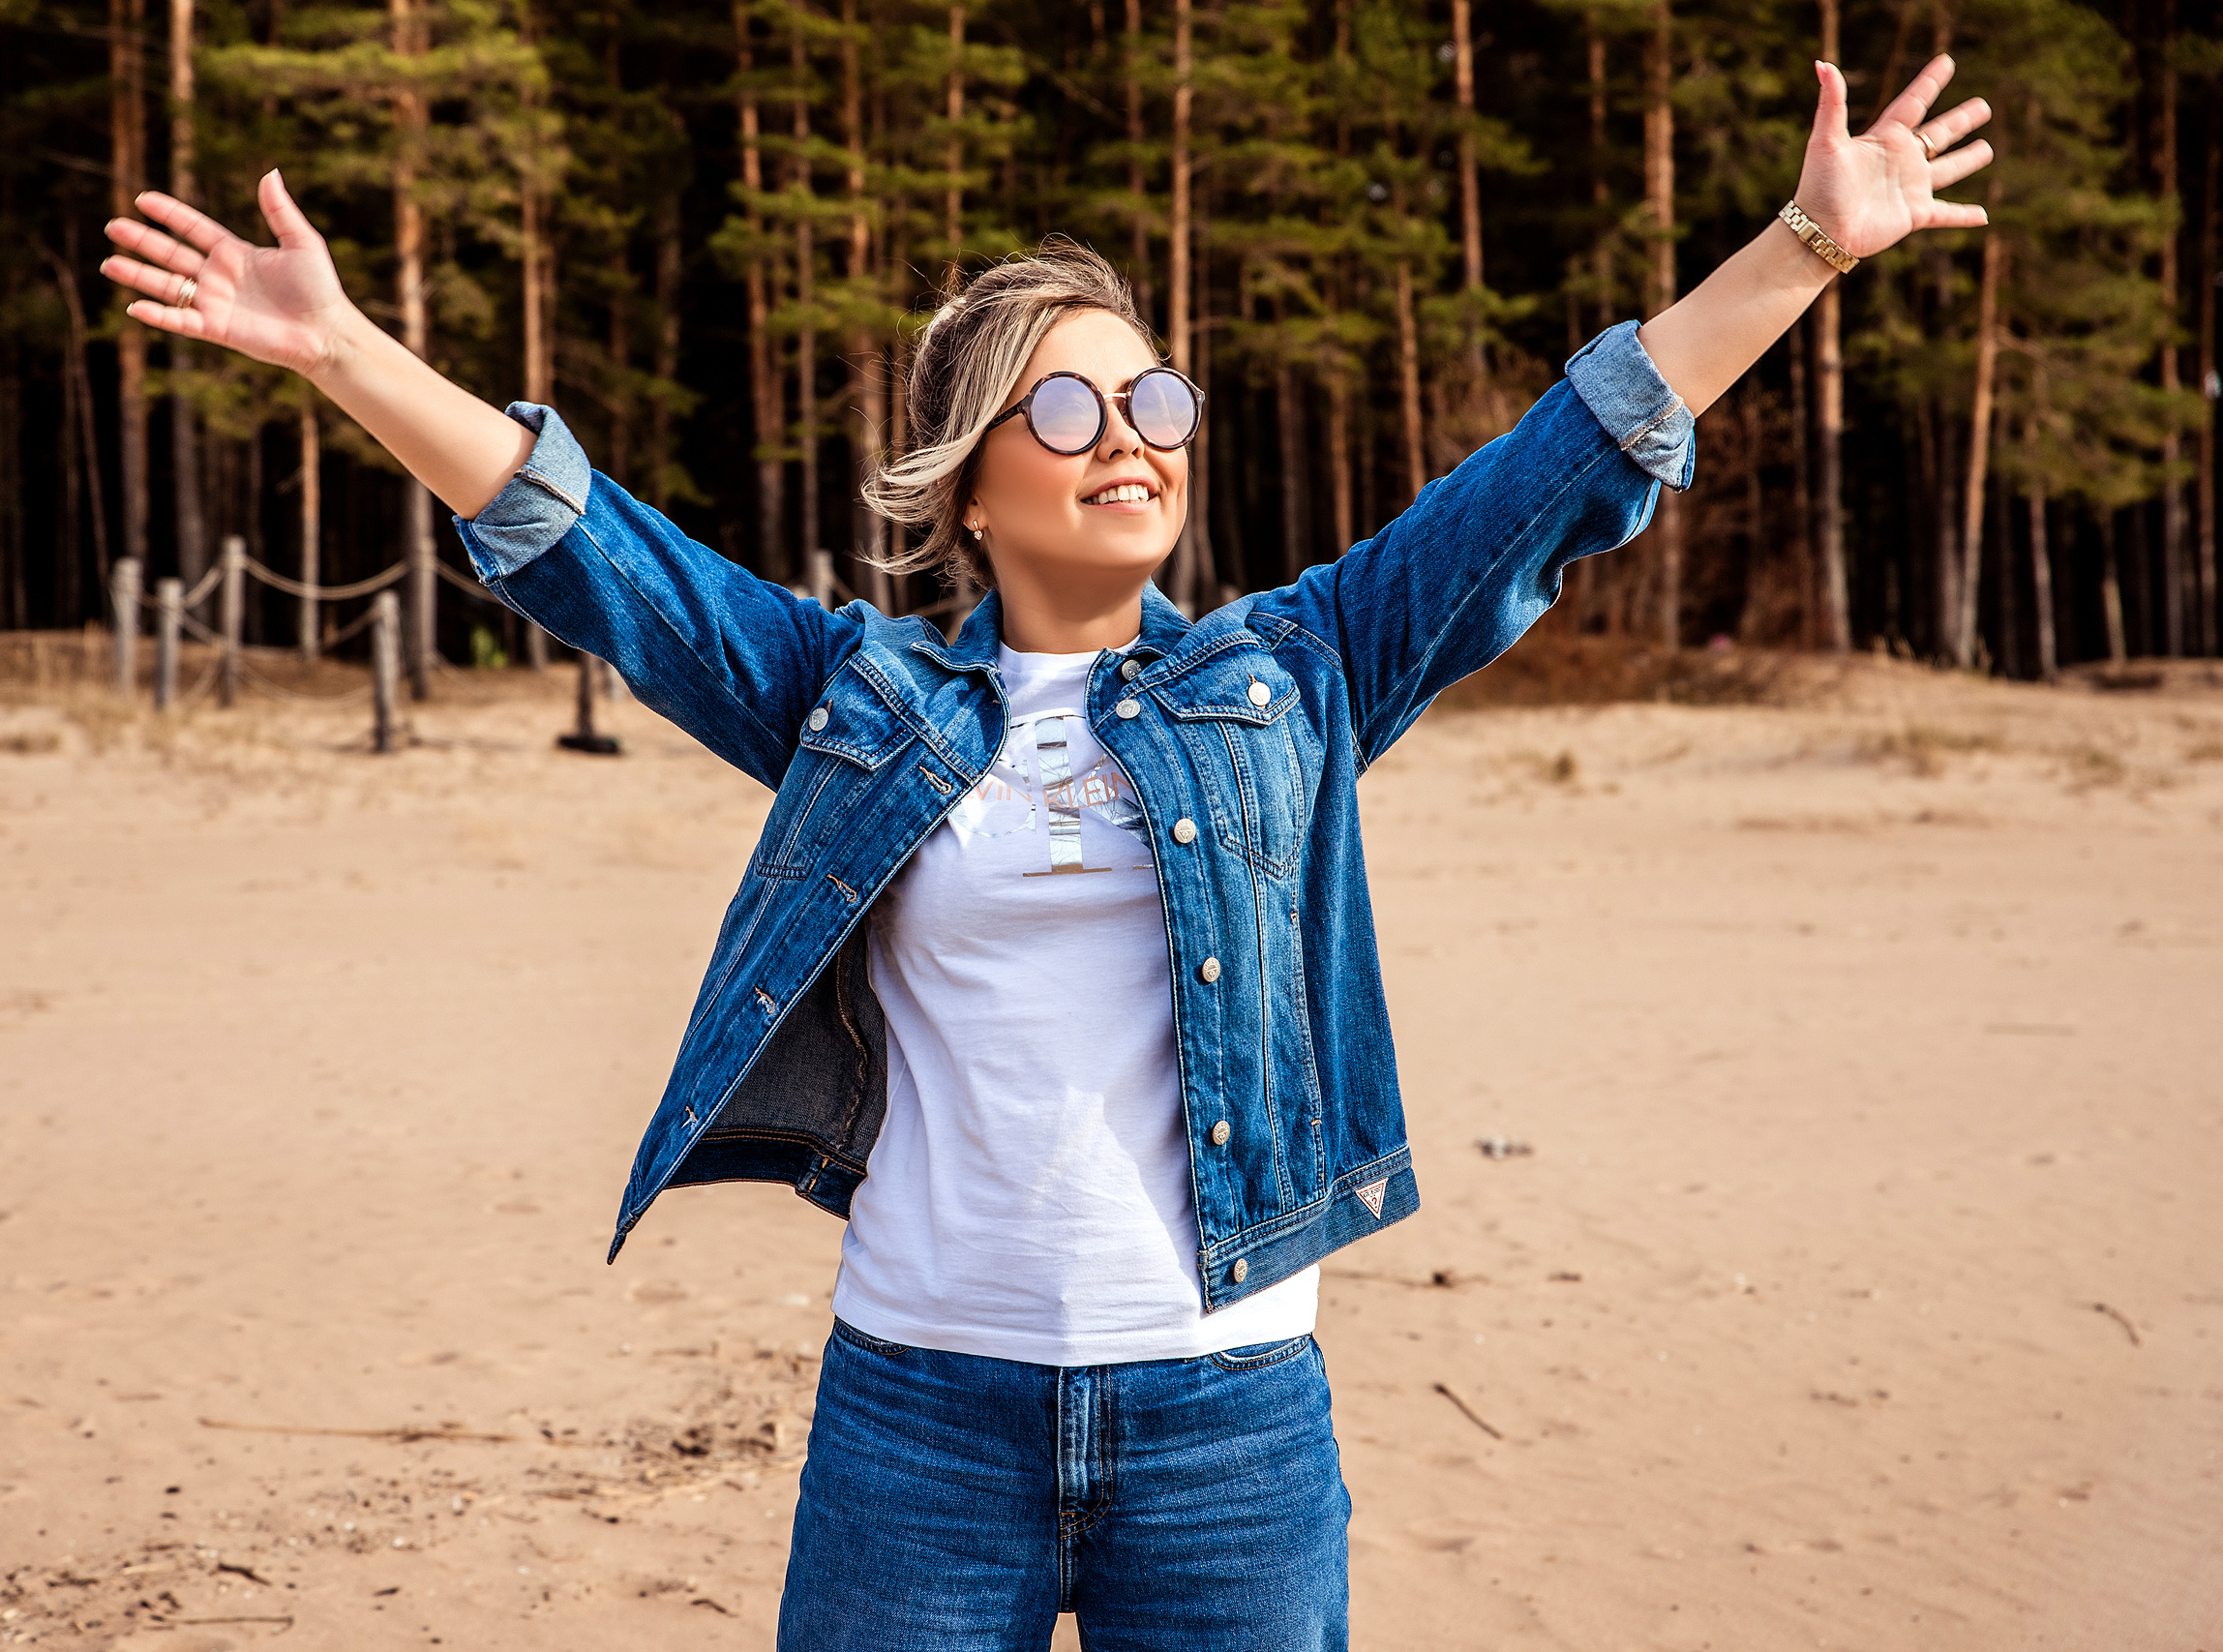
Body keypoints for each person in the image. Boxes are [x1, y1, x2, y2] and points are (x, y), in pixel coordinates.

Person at [102, 55, 1991, 1652]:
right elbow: (597, 550)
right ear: (965, 472)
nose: (1133, 437)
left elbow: (1558, 469)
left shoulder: (1301, 669)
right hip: (917, 1415)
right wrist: (340, 348)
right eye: (1072, 404)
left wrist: (1802, 243)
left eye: (1153, 399)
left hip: (1228, 1412)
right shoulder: (855, 692)